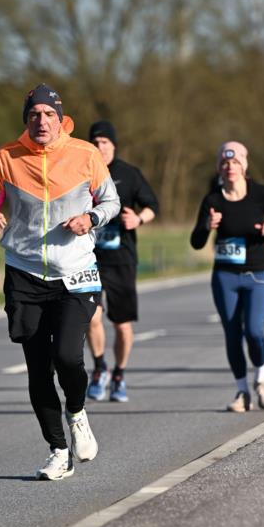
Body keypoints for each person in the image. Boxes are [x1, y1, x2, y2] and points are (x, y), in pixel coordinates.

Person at [0, 83, 120, 480]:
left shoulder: (85, 155)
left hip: (75, 271)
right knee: (38, 369)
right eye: (34, 115)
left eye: (49, 114)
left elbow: (111, 202)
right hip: (24, 273)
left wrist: (90, 219)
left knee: (68, 357)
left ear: (60, 118)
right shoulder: (7, 157)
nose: (42, 121)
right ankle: (58, 451)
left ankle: (77, 411)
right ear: (27, 119)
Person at [190, 141, 264, 412]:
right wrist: (207, 226)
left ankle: (261, 378)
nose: (230, 167)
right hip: (225, 276)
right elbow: (196, 242)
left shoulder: (260, 193)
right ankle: (242, 391)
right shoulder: (213, 200)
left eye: (235, 162)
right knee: (232, 333)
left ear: (244, 165)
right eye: (224, 162)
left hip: (257, 274)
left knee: (254, 330)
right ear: (219, 167)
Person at [85, 121, 159, 402]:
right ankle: (100, 367)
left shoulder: (129, 174)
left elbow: (153, 206)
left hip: (122, 258)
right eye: (95, 142)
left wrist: (138, 218)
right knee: (92, 316)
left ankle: (119, 374)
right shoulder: (81, 172)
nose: (99, 147)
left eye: (104, 142)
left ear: (113, 145)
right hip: (88, 259)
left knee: (122, 324)